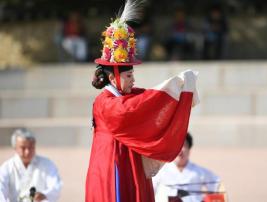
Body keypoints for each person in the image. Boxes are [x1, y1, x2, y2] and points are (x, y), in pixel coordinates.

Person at [85, 0, 199, 201]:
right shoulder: (106, 103)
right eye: (129, 76)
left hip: (126, 163)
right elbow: (138, 105)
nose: (133, 80)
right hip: (112, 168)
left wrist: (177, 88)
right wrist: (172, 88)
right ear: (113, 78)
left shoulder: (122, 97)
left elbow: (144, 97)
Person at [153, 133, 222, 202]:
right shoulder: (160, 170)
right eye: (176, 146)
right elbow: (149, 191)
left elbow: (218, 185)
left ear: (189, 150)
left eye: (183, 145)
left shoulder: (198, 171)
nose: (180, 150)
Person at [0, 128, 62, 202]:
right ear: (15, 147)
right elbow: (1, 189)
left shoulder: (47, 164)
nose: (27, 152)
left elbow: (55, 186)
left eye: (30, 147)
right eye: (23, 148)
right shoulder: (7, 167)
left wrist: (45, 194)